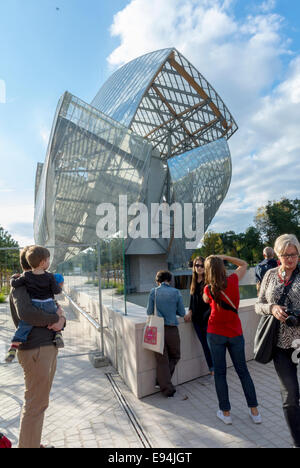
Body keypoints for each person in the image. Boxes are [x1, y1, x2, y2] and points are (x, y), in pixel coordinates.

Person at [9, 246, 66, 448]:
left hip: (45, 347)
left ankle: (32, 443)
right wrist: (55, 318)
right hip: (36, 349)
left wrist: (62, 320)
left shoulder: (39, 284)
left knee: (38, 402)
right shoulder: (21, 285)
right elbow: (27, 314)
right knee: (36, 404)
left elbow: (56, 309)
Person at [203, 254, 261, 425]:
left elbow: (206, 300)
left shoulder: (208, 289)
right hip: (235, 332)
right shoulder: (234, 280)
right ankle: (255, 412)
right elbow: (244, 262)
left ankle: (226, 413)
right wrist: (224, 256)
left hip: (215, 333)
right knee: (243, 371)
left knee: (220, 374)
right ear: (222, 268)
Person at [255, 234, 300, 448]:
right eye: (285, 255)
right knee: (290, 397)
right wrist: (272, 308)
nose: (290, 259)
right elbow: (259, 304)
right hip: (281, 346)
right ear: (278, 255)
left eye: (294, 254)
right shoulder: (270, 275)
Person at [5, 246, 64, 363]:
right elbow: (28, 314)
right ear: (42, 262)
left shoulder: (25, 277)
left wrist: (12, 278)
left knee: (24, 325)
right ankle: (58, 334)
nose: (49, 262)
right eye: (48, 260)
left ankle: (14, 345)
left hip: (36, 305)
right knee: (56, 309)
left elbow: (14, 283)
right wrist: (58, 317)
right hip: (37, 346)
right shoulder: (49, 276)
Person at [147, 270, 186, 397]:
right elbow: (181, 313)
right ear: (169, 280)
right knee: (175, 356)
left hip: (157, 329)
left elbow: (149, 311)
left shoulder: (154, 291)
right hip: (171, 329)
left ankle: (161, 381)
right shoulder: (176, 292)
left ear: (157, 281)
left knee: (161, 360)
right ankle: (167, 388)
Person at [184, 257, 214, 374]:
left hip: (207, 318)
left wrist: (208, 315)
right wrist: (189, 312)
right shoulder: (193, 282)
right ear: (194, 267)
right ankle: (212, 368)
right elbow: (192, 301)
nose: (199, 268)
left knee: (209, 344)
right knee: (204, 345)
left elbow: (211, 302)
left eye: (202, 266)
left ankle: (214, 368)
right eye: (197, 265)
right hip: (196, 319)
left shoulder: (208, 282)